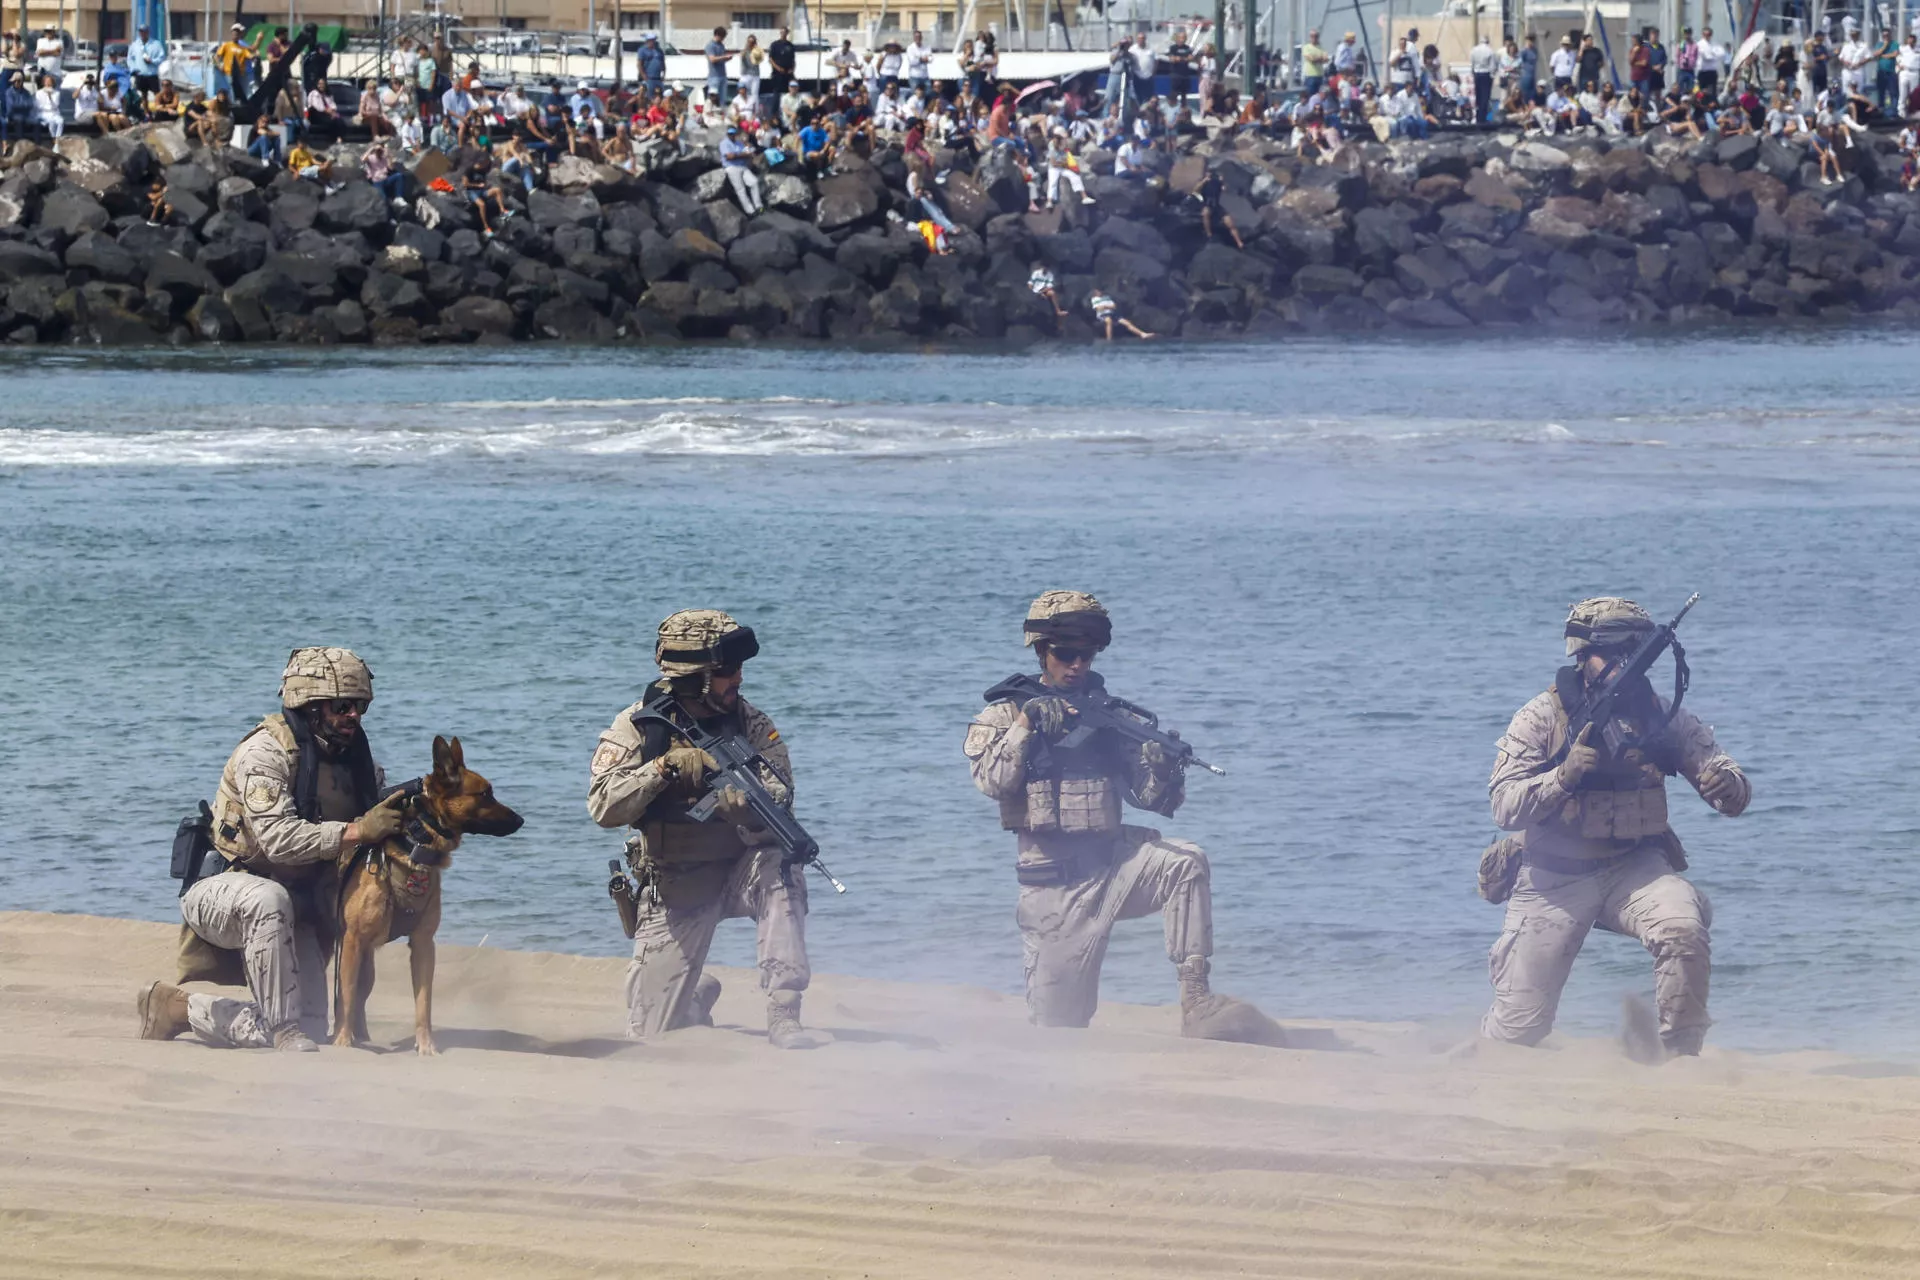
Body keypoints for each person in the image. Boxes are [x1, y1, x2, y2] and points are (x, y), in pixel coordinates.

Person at [966, 591, 1289, 1038]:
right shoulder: (1004, 713)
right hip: (1052, 890)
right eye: (1066, 654)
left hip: (1114, 865)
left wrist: (1164, 772)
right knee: (1058, 1029)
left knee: (1185, 863)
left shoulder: (1111, 718)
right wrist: (1027, 725)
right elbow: (992, 782)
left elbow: (1154, 801)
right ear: (1042, 651)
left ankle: (1196, 1001)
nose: (1077, 664)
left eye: (1087, 654)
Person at [1479, 598, 1750, 1062]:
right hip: (1552, 878)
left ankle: (1682, 1059)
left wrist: (1727, 783)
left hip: (1635, 866)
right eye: (1614, 651)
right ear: (1583, 655)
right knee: (1518, 1032)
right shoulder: (1541, 718)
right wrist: (1561, 777)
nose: (1625, 663)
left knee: (1682, 929)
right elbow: (1504, 807)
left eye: (1634, 651)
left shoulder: (1660, 713)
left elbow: (1725, 780)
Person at [136, 648, 410, 1054]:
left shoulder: (358, 766)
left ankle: (179, 1008)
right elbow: (278, 840)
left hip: (296, 903)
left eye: (360, 707)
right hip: (226, 888)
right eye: (343, 706)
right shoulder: (266, 753)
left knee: (317, 1030)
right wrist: (357, 830)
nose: (354, 716)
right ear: (311, 706)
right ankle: (282, 1029)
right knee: (269, 900)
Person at [588, 610, 821, 1050]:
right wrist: (662, 769)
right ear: (696, 677)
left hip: (742, 871)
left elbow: (782, 790)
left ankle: (784, 1010)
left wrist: (748, 810)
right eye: (727, 672)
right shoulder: (639, 726)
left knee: (783, 865)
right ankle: (695, 995)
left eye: (739, 670)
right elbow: (602, 804)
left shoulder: (750, 723)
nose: (738, 680)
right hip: (677, 884)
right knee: (650, 1032)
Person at [719, 122, 763, 213]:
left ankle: (759, 206)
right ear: (727, 134)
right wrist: (744, 155)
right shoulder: (724, 143)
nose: (732, 135)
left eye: (733, 133)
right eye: (730, 133)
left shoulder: (739, 143)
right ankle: (750, 211)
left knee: (754, 182)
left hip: (742, 166)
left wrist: (747, 153)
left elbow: (749, 153)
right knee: (740, 189)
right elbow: (729, 157)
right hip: (731, 167)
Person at [1470, 33, 1498, 122]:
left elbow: (1472, 63)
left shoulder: (1474, 50)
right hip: (1486, 74)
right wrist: (1492, 76)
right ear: (1487, 41)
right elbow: (1492, 66)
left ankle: (1478, 116)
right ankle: (1483, 118)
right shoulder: (1490, 51)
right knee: (1485, 96)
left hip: (1477, 74)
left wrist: (1473, 73)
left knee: (1478, 95)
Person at [705, 27, 732, 108]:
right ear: (718, 35)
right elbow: (712, 59)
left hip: (722, 75)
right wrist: (724, 57)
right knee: (713, 99)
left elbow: (721, 59)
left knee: (722, 100)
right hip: (714, 76)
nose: (723, 39)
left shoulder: (721, 45)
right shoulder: (710, 46)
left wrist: (727, 58)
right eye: (722, 37)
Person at [638, 32, 666, 99]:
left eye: (653, 40)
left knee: (660, 95)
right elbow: (639, 64)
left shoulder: (659, 51)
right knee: (649, 96)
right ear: (647, 40)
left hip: (658, 78)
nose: (652, 41)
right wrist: (644, 76)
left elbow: (663, 63)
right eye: (650, 40)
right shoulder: (642, 50)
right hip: (649, 78)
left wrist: (664, 74)